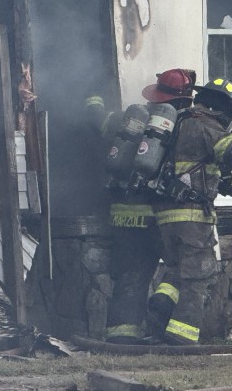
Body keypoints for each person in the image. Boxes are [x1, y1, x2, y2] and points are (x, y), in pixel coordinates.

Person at [145, 77, 232, 345]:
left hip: (164, 214)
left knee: (176, 269)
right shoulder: (207, 127)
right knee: (198, 274)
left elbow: (195, 167)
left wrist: (220, 183)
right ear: (223, 108)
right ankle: (183, 336)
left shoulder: (179, 122)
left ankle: (162, 302)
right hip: (191, 215)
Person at [85, 68, 196, 344]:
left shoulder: (129, 121)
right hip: (162, 216)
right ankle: (162, 300)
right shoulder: (187, 126)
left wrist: (92, 96)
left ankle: (121, 336)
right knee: (184, 266)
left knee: (131, 275)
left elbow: (96, 120)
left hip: (123, 216)